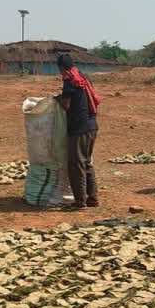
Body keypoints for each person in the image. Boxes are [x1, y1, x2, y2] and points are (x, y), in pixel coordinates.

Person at [54, 53, 100, 209]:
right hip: (92, 126)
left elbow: (66, 104)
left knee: (76, 164)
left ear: (61, 68)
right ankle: (93, 198)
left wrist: (57, 99)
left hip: (79, 128)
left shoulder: (69, 80)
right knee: (87, 162)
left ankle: (80, 202)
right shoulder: (84, 77)